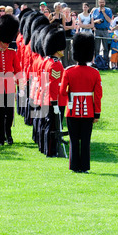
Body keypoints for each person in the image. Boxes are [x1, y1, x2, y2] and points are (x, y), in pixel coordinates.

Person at [60, 33, 103, 173]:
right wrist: (97, 113)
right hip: (88, 111)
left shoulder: (69, 71)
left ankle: (74, 166)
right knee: (85, 140)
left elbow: (62, 92)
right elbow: (98, 95)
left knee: (73, 140)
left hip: (72, 111)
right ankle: (84, 167)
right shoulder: (94, 73)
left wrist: (70, 93)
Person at [0, 14, 24, 146]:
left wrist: (21, 87)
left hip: (10, 85)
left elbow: (18, 70)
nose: (7, 44)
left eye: (8, 41)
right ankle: (0, 138)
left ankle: (9, 135)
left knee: (10, 114)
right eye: (5, 41)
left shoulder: (12, 53)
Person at [38, 25, 67, 157]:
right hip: (54, 99)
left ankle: (46, 149)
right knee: (54, 127)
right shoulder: (56, 64)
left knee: (48, 125)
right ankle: (51, 151)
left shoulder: (47, 61)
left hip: (45, 97)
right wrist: (54, 102)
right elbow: (54, 85)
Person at [92, 0, 113, 65]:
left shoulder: (108, 10)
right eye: (100, 2)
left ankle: (106, 63)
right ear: (98, 3)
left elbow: (109, 20)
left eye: (103, 2)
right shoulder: (95, 10)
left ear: (105, 3)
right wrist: (96, 21)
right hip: (97, 30)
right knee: (96, 48)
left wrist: (104, 13)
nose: (102, 4)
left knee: (106, 48)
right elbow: (92, 21)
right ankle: (97, 62)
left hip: (105, 31)